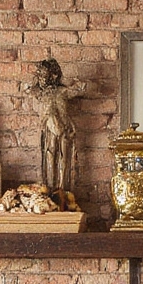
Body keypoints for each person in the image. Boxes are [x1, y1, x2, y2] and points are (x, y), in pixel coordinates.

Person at [25, 57, 85, 198]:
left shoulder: (63, 91)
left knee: (64, 161)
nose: (41, 78)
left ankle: (64, 194)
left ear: (54, 75)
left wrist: (70, 81)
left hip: (64, 129)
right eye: (39, 74)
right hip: (49, 129)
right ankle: (50, 193)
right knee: (50, 159)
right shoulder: (40, 92)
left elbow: (82, 88)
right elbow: (28, 88)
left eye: (44, 74)